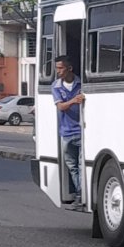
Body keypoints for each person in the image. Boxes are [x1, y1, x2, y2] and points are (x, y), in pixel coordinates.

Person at [52, 55, 85, 210]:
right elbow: (60, 107)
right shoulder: (56, 86)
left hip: (80, 130)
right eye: (57, 68)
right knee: (72, 166)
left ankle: (80, 195)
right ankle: (79, 192)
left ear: (69, 68)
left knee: (81, 164)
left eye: (61, 68)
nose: (58, 71)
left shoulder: (81, 83)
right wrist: (73, 101)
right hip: (65, 132)